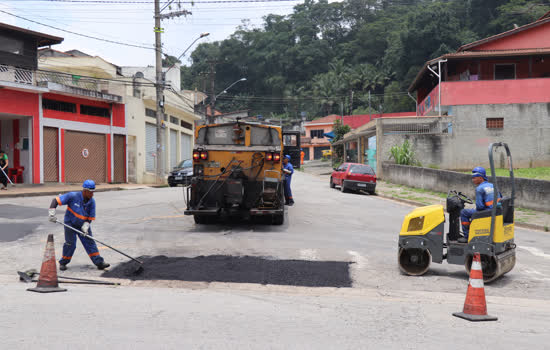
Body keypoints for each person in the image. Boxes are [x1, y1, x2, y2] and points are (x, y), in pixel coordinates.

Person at [48, 179, 110, 270]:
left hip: (82, 225)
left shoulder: (92, 202)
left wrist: (86, 226)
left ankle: (99, 262)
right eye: (90, 192)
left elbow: (90, 218)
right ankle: (63, 262)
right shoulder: (73, 196)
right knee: (70, 244)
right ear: (84, 191)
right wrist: (52, 213)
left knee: (90, 242)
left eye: (93, 192)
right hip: (70, 223)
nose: (92, 194)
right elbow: (55, 201)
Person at [459, 167, 501, 243]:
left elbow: (480, 207)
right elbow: (500, 197)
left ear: (481, 178)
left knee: (464, 212)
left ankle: (467, 236)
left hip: (487, 212)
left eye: (474, 178)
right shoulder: (493, 185)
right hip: (496, 210)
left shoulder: (479, 189)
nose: (473, 180)